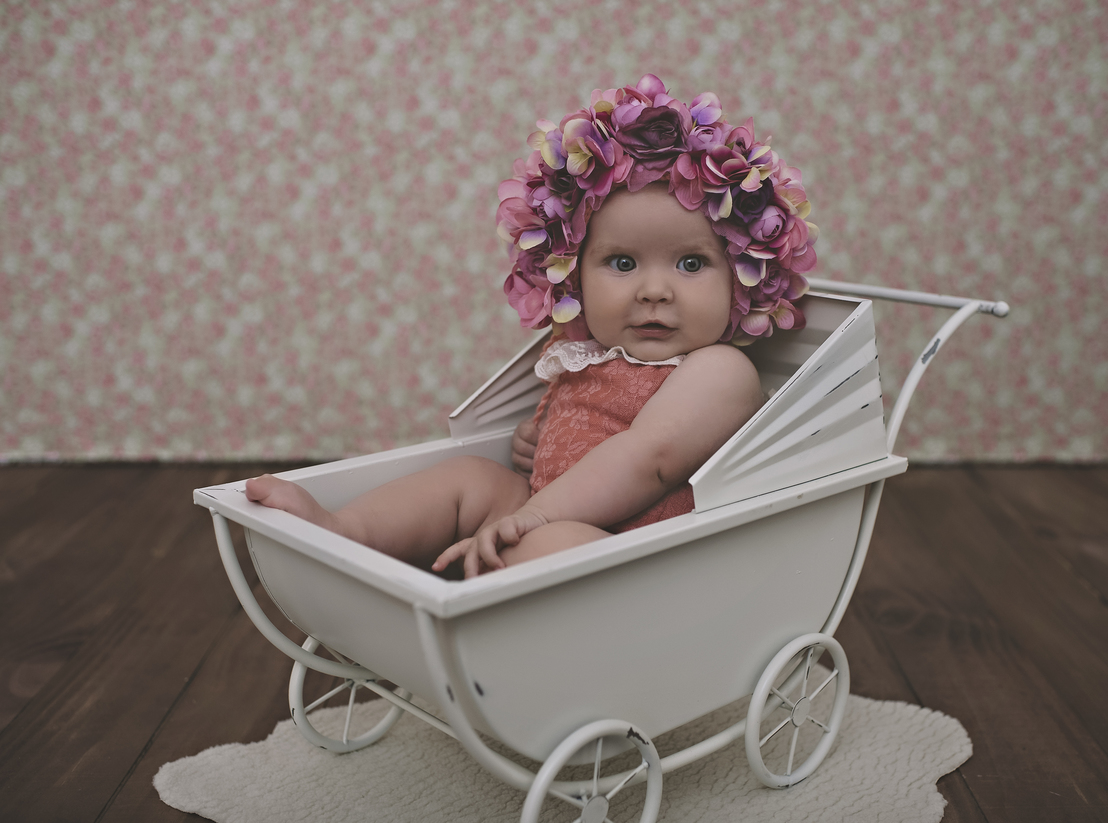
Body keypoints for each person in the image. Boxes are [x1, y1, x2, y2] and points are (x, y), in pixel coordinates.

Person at [245, 74, 818, 578]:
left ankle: (476, 603)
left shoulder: (718, 369)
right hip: (538, 513)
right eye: (622, 263)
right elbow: (586, 431)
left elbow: (649, 456)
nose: (653, 289)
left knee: (548, 545)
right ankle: (347, 533)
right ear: (573, 275)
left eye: (691, 264)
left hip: (636, 552)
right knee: (467, 478)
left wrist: (538, 514)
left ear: (741, 279)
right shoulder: (586, 352)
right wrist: (540, 444)